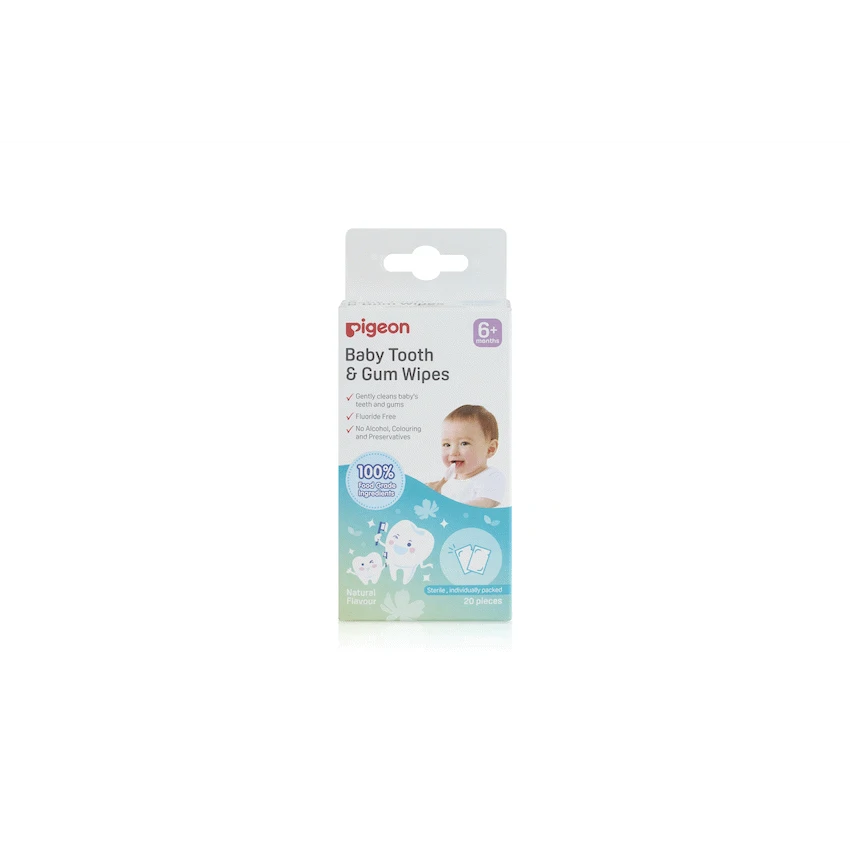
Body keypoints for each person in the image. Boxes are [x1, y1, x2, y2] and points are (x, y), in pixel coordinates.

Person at [428, 406, 506, 508]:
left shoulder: (491, 477)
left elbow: (485, 503)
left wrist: (449, 508)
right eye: (447, 445)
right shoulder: (446, 482)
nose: (453, 452)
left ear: (490, 449)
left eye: (464, 443)